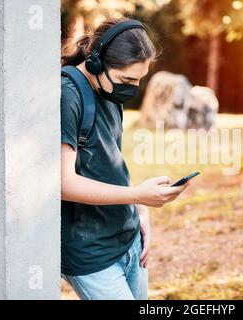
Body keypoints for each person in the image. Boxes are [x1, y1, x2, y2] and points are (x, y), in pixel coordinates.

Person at [60, 17, 189, 300]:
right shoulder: (67, 96)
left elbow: (110, 160)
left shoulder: (108, 90)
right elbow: (63, 183)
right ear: (96, 62)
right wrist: (137, 195)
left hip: (129, 240)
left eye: (139, 80)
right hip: (92, 254)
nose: (131, 88)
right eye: (126, 80)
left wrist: (140, 209)